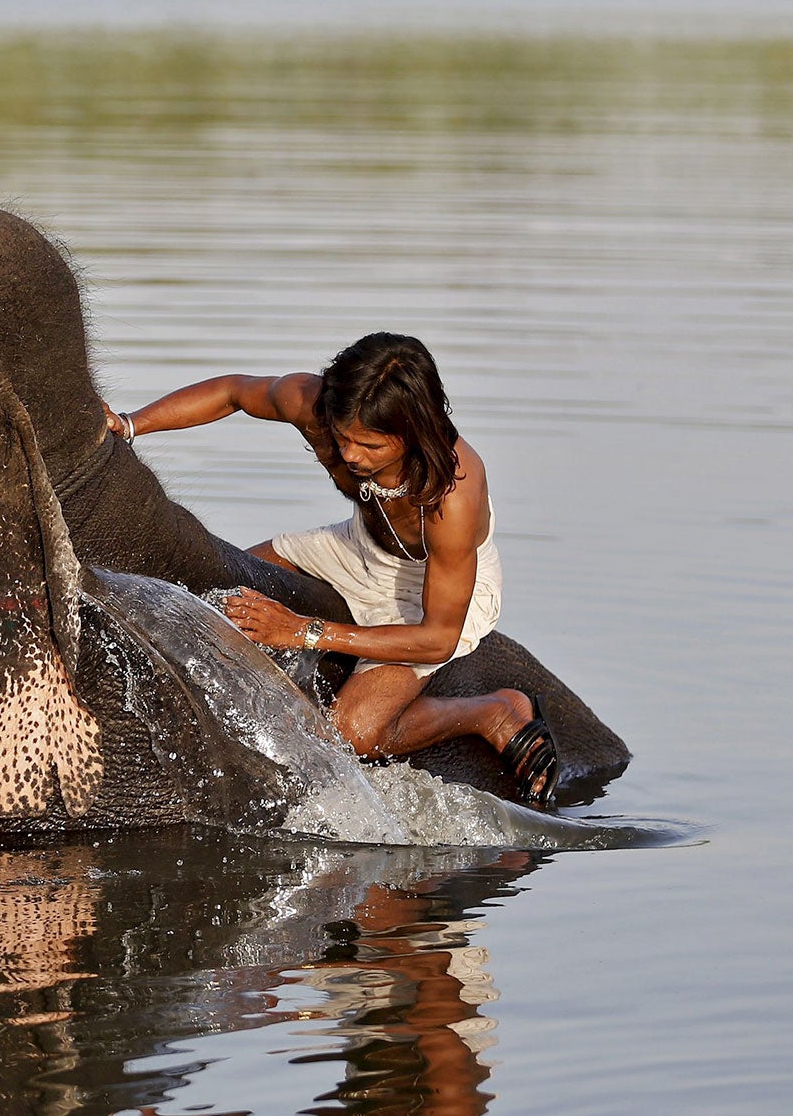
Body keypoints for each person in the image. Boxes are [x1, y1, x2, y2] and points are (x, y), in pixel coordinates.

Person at [106, 333, 558, 809]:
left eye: (368, 444)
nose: (348, 456)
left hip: (430, 589)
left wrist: (304, 632)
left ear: (414, 432)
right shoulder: (315, 403)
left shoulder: (451, 493)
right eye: (342, 437)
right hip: (356, 545)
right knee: (211, 583)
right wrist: (131, 424)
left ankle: (490, 712)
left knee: (354, 735)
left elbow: (438, 638)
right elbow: (234, 392)